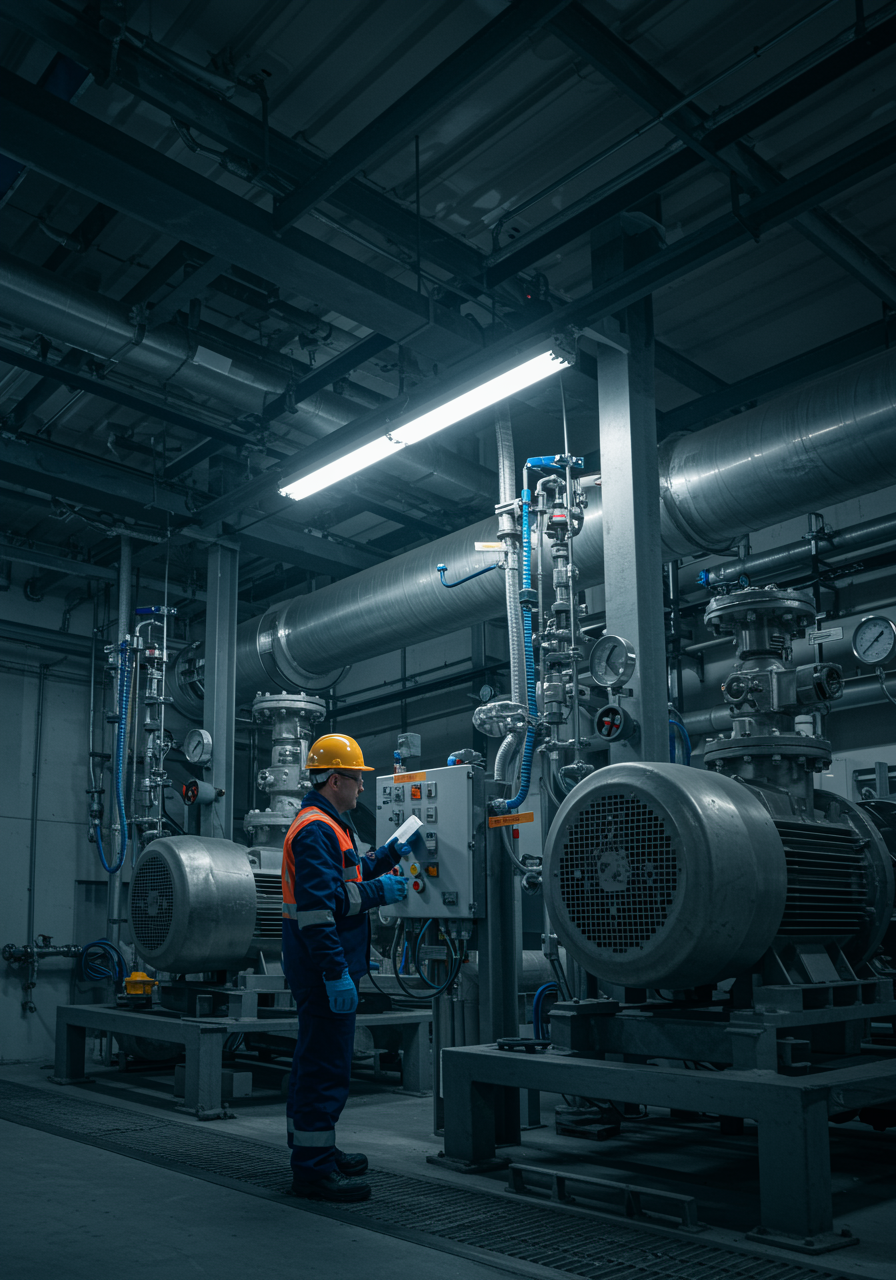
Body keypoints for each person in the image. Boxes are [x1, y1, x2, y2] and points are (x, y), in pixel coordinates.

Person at [281, 732, 410, 1203]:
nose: (362, 789)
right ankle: (312, 1172)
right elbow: (322, 908)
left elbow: (351, 875)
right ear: (335, 779)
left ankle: (316, 1150)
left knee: (313, 1062)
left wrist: (394, 850)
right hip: (322, 967)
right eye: (357, 780)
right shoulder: (317, 828)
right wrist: (336, 972)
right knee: (324, 1068)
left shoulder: (331, 824)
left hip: (323, 964)